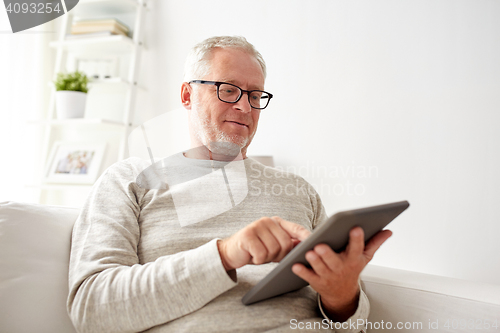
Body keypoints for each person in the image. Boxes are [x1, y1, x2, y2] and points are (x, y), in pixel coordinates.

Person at [67, 36, 391, 333]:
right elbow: (92, 311)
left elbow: (352, 324)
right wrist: (225, 255)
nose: (245, 107)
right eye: (228, 89)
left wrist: (342, 296)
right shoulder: (129, 180)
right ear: (187, 95)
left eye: (254, 95)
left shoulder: (298, 190)